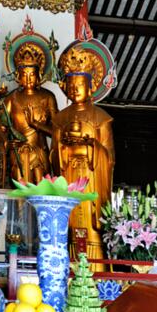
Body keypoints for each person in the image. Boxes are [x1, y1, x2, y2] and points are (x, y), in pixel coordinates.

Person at [50, 45, 114, 260]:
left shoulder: (101, 117)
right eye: (71, 84)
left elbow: (110, 157)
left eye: (80, 84)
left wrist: (89, 147)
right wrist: (65, 149)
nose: (75, 89)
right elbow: (52, 156)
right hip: (68, 176)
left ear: (91, 86)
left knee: (89, 229)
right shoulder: (60, 119)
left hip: (91, 180)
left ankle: (95, 269)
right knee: (68, 226)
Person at [4, 42, 58, 185]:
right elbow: (2, 127)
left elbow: (56, 131)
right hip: (18, 153)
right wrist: (6, 142)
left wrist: (36, 125)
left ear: (39, 75)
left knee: (40, 188)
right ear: (18, 76)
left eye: (32, 75)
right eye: (24, 75)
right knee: (20, 190)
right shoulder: (11, 98)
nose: (28, 79)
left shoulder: (47, 97)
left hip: (39, 151)